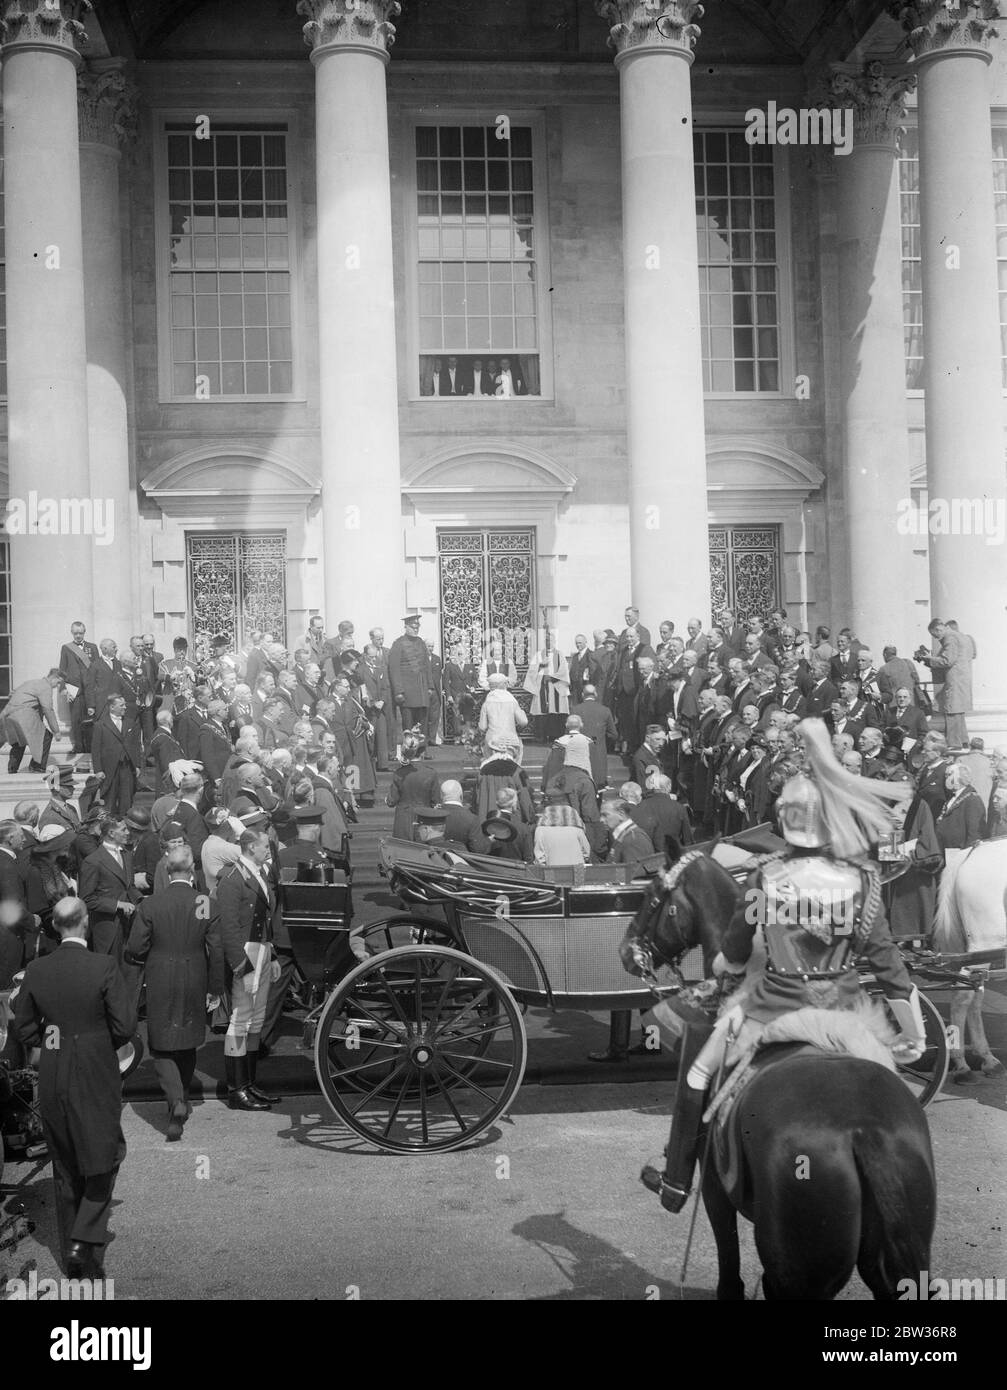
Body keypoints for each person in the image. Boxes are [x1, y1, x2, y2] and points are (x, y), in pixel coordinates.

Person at [642, 717, 927, 1215]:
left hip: (770, 1011)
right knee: (893, 1101)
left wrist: (726, 966)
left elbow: (733, 950)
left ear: (784, 819)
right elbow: (888, 966)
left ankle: (675, 1181)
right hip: (846, 1015)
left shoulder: (765, 876)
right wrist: (915, 1034)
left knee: (696, 1076)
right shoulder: (863, 880)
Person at [13, 896, 135, 1277]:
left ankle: (73, 1258)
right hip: (96, 1071)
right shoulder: (103, 965)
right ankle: (86, 1244)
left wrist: (57, 1040)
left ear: (56, 926)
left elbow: (26, 1028)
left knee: (65, 1168)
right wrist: (95, 1045)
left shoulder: (37, 968)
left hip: (54, 1073)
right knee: (105, 1157)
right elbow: (125, 1026)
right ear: (83, 922)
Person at [125, 845, 224, 1141]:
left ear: (167, 873)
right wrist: (215, 987)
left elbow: (135, 948)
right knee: (189, 1038)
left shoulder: (151, 904)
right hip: (195, 973)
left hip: (160, 975)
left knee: (162, 1043)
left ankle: (176, 1101)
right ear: (191, 870)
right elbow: (215, 949)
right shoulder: (203, 901)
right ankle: (181, 1098)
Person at [216, 828, 282, 1110]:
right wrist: (239, 963)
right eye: (265, 845)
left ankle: (250, 1083)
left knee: (256, 1020)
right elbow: (228, 927)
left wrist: (273, 953)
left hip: (263, 949)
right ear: (251, 846)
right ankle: (236, 1089)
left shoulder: (259, 872)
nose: (269, 849)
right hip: (246, 952)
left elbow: (266, 918)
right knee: (240, 1021)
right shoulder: (232, 879)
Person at [78, 816, 144, 968]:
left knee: (131, 970)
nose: (128, 833)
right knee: (111, 969)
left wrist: (141, 901)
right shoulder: (93, 861)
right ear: (111, 834)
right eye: (124, 829)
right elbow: (86, 899)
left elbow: (129, 886)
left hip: (129, 923)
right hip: (108, 927)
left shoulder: (126, 855)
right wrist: (118, 904)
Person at [917, 618, 970, 750]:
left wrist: (928, 659)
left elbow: (947, 661)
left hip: (954, 679)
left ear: (938, 629)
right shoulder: (961, 636)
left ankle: (954, 743)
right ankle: (963, 741)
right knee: (958, 711)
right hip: (961, 678)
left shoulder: (950, 638)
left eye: (935, 635)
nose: (936, 639)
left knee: (951, 709)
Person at [1, 668, 64, 773]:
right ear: (54, 678)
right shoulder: (45, 687)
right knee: (47, 737)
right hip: (22, 714)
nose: (57, 686)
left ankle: (12, 768)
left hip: (8, 715)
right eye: (58, 683)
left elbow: (12, 694)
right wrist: (56, 731)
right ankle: (37, 766)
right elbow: (48, 710)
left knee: (18, 741)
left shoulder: (31, 683)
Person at [90, 694, 142, 816]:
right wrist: (98, 770)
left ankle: (126, 827)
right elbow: (95, 749)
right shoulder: (101, 724)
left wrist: (137, 765)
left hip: (127, 767)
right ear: (112, 707)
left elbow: (136, 746)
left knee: (127, 801)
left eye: (125, 705)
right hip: (109, 770)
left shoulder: (130, 723)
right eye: (121, 705)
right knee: (110, 802)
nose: (125, 707)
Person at [386, 733, 441, 840]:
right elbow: (436, 802)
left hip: (403, 820)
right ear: (422, 753)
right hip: (424, 819)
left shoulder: (399, 773)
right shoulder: (431, 773)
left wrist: (386, 799)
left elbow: (391, 801)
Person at [58, 623, 101, 755]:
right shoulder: (66, 648)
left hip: (90, 689)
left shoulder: (92, 647)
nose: (78, 636)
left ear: (84, 632)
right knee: (76, 720)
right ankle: (78, 747)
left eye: (80, 633)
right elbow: (62, 670)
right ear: (72, 633)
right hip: (73, 689)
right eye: (75, 633)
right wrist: (64, 690)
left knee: (91, 719)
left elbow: (97, 668)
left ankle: (90, 747)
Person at [387, 614, 432, 733]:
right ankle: (409, 751)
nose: (416, 629)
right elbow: (394, 669)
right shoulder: (398, 644)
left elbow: (427, 666)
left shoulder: (421, 642)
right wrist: (398, 691)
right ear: (406, 627)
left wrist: (430, 686)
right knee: (408, 727)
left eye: (417, 627)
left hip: (422, 693)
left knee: (422, 727)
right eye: (413, 627)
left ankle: (422, 750)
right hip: (407, 694)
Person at [568, 683, 617, 789]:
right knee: (598, 788)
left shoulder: (575, 710)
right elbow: (614, 734)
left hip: (580, 756)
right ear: (596, 694)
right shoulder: (605, 710)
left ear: (582, 695)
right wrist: (601, 739)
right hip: (598, 756)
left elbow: (568, 733)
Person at [523, 635, 571, 742]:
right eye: (547, 641)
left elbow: (564, 671)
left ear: (554, 641)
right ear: (545, 642)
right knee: (542, 710)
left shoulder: (560, 654)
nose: (549, 643)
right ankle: (542, 737)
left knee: (556, 710)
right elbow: (531, 671)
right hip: (542, 686)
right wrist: (540, 665)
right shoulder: (538, 655)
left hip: (556, 687)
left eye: (551, 640)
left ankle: (556, 736)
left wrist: (552, 677)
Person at [934, 763, 987, 851]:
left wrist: (966, 854)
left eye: (949, 775)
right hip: (945, 849)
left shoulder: (972, 799)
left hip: (958, 852)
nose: (946, 779)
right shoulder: (952, 797)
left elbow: (974, 833)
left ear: (959, 778)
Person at [479, 672, 528, 758]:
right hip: (511, 740)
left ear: (491, 686)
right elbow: (523, 722)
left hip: (492, 740)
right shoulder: (512, 701)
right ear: (504, 685)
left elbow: (482, 727)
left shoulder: (487, 703)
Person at [533, 803, 592, 867]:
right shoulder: (577, 829)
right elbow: (586, 853)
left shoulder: (540, 830)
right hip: (577, 872)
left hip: (552, 873)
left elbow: (539, 858)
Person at [602, 798, 655, 867]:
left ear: (621, 813)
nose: (601, 820)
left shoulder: (634, 839)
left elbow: (634, 874)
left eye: (605, 815)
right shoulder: (626, 835)